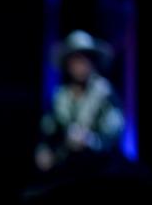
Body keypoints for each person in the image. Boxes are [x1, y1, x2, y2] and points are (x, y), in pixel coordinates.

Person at [35, 30, 125, 172]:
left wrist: (90, 141)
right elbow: (49, 130)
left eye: (84, 59)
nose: (80, 64)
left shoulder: (104, 93)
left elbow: (113, 133)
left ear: (92, 62)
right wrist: (45, 150)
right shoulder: (60, 96)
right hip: (66, 168)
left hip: (100, 169)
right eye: (75, 59)